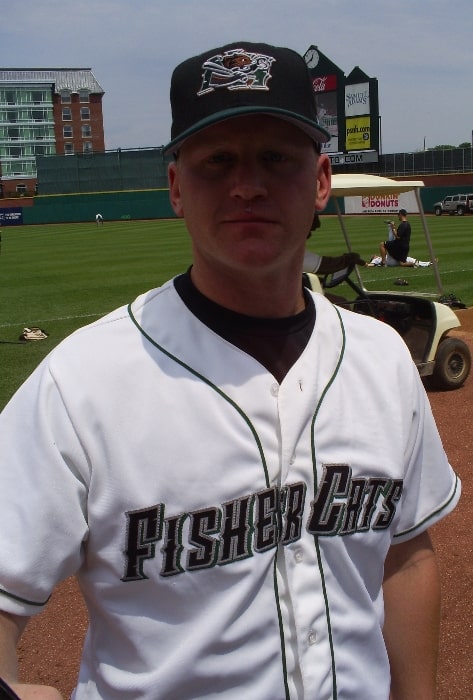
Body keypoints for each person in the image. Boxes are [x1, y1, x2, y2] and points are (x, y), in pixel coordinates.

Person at [0, 42, 460, 700]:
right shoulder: (82, 383)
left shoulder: (381, 358)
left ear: (321, 180)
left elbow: (404, 552)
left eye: (275, 157)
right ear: (176, 186)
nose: (247, 183)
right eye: (217, 161)